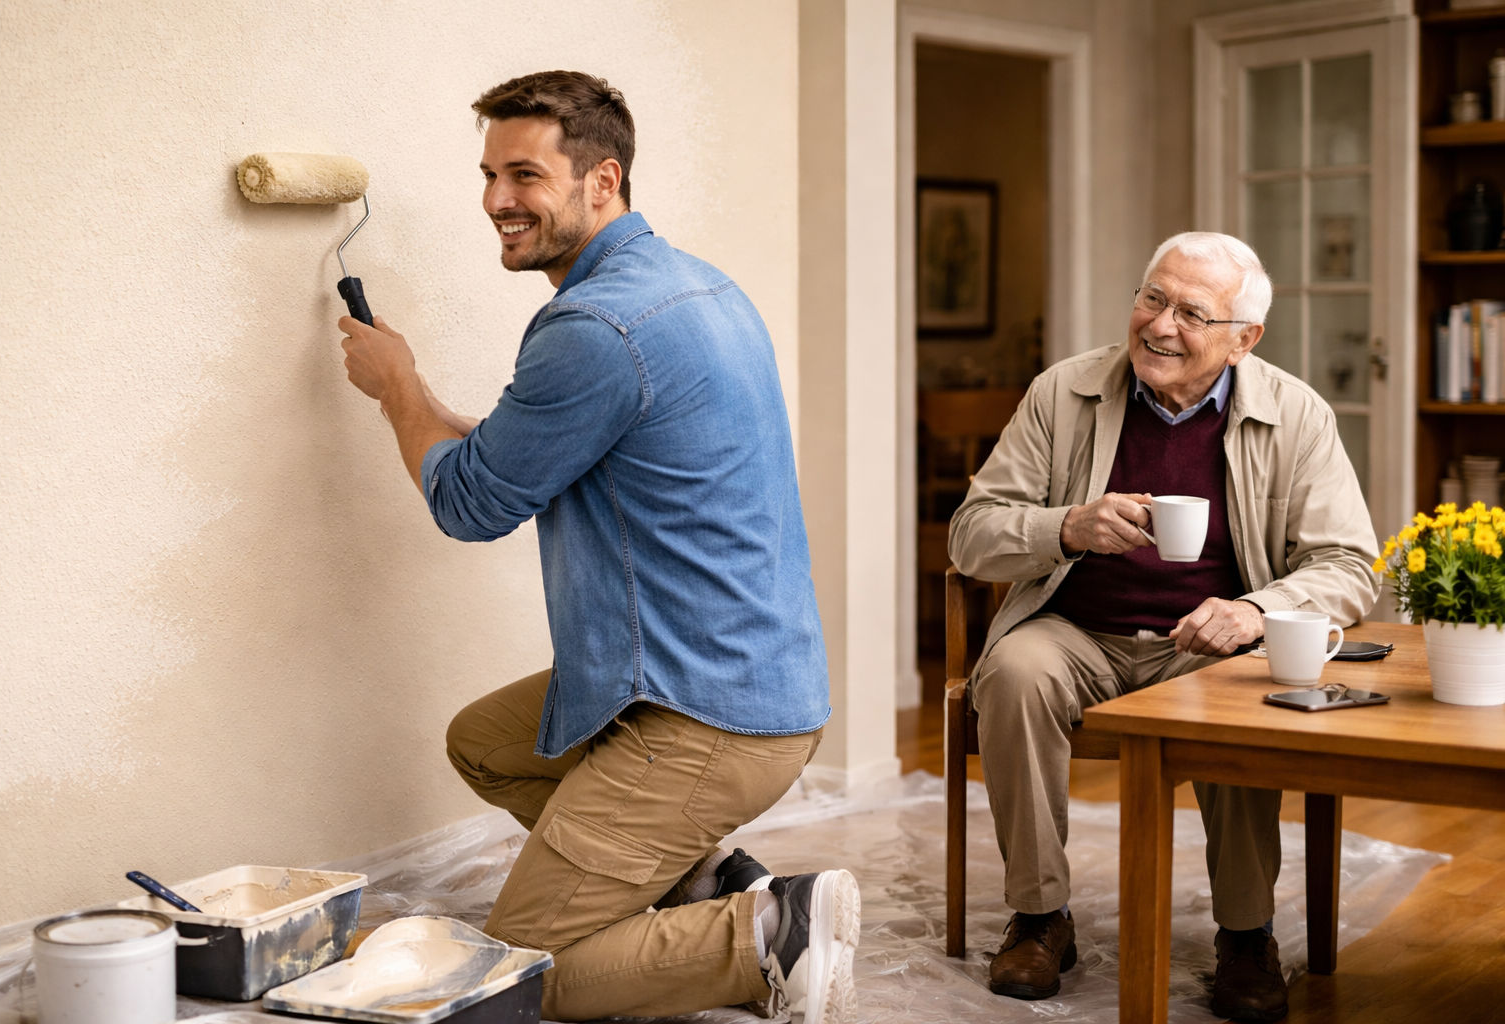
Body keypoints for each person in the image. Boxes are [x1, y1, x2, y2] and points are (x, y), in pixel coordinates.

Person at [337, 70, 857, 1024]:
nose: (498, 200)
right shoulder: (696, 285)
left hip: (700, 717)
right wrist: (430, 407)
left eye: (525, 175)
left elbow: (469, 502)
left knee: (524, 975)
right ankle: (700, 881)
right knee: (486, 743)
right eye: (489, 174)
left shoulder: (593, 326)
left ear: (602, 180)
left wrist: (396, 387)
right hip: (745, 679)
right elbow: (517, 454)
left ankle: (768, 933)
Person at [947, 231, 1379, 1023]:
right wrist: (1067, 527)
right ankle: (1041, 918)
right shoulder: (1062, 392)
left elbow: (1350, 565)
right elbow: (971, 534)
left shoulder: (1295, 414)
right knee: (1010, 673)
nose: (1160, 325)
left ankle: (1245, 934)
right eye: (1153, 298)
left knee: (1241, 695)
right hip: (1074, 631)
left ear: (1243, 338)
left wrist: (1253, 611)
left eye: (1191, 312)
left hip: (1205, 649)